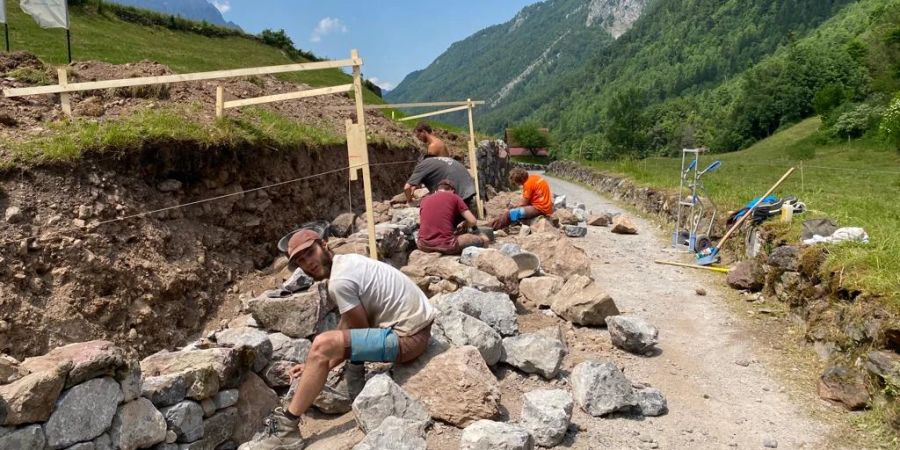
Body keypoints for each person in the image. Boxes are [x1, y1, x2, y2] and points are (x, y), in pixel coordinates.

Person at [249, 229, 435, 449]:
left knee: (322, 345)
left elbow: (359, 330)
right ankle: (352, 380)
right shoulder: (346, 262)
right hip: (417, 327)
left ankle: (287, 426)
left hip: (409, 338)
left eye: (310, 253)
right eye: (300, 260)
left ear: (324, 245)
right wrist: (314, 364)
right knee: (326, 346)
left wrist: (324, 360)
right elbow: (348, 324)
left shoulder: (339, 281)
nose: (307, 263)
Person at [417, 179, 490, 254]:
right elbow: (473, 221)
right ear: (452, 190)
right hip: (446, 245)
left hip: (423, 245)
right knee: (484, 239)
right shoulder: (454, 197)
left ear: (437, 190)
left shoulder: (424, 199)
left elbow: (424, 222)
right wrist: (465, 225)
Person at [404, 155, 478, 212]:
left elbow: (407, 188)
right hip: (469, 185)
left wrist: (410, 201)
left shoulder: (422, 165)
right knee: (463, 215)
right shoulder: (437, 161)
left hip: (456, 188)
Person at [489, 168, 554, 230]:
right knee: (513, 211)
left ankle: (490, 227)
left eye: (516, 183)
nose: (518, 185)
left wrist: (513, 208)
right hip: (546, 207)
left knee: (511, 213)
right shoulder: (534, 178)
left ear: (520, 180)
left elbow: (523, 203)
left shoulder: (528, 184)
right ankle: (498, 224)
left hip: (539, 208)